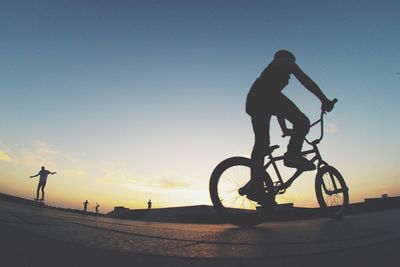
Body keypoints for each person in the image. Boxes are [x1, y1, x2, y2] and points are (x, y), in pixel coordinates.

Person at [244, 50, 336, 205]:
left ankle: (256, 186)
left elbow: (276, 107)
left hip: (256, 100)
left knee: (261, 143)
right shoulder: (285, 62)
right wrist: (324, 99)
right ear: (287, 58)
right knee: (302, 122)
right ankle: (292, 154)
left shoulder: (273, 72)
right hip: (266, 96)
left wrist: (285, 128)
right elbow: (305, 80)